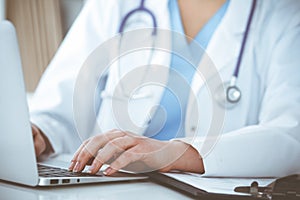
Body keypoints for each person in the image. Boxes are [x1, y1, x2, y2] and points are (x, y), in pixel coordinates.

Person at [30, 0, 300, 177]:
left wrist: (179, 153)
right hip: (107, 190)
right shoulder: (116, 5)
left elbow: (291, 135)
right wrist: (39, 133)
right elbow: (59, 104)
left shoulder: (284, 14)